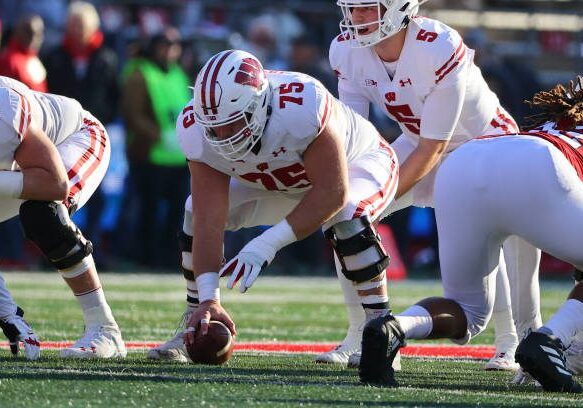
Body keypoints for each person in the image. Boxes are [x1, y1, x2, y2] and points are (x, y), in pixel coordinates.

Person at [320, 0, 538, 371]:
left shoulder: (436, 44)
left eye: (367, 8)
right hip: (421, 139)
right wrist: (352, 196)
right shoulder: (346, 49)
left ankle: (513, 343)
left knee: (505, 241)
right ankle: (363, 331)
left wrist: (381, 193)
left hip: (490, 147)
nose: (356, 17)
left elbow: (435, 146)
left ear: (398, 8)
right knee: (347, 216)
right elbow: (355, 137)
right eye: (352, 8)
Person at [148, 49, 399, 362]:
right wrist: (209, 298)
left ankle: (381, 335)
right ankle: (195, 317)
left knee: (347, 212)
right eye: (215, 128)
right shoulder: (196, 129)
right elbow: (208, 218)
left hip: (357, 165)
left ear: (258, 105)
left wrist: (265, 245)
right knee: (192, 208)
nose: (223, 137)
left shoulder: (302, 104)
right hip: (277, 180)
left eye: (233, 124)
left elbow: (332, 192)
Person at [358, 77, 583, 393]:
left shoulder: (559, 123)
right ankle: (549, 341)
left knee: (468, 311)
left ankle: (395, 328)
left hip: (467, 160)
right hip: (537, 164)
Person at [0, 75, 126, 359]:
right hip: (24, 166)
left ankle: (104, 328)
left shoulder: (3, 105)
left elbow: (55, 185)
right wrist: (6, 311)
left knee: (43, 213)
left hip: (78, 136)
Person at [120, 27, 191, 269]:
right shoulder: (140, 74)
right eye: (165, 45)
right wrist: (159, 135)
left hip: (178, 158)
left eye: (174, 46)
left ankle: (169, 258)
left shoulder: (178, 74)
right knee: (146, 211)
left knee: (177, 215)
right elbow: (132, 114)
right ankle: (144, 257)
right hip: (149, 155)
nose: (170, 51)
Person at [0, 14, 47, 92]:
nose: (34, 38)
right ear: (18, 31)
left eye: (39, 34)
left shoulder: (34, 58)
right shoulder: (10, 60)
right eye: (29, 32)